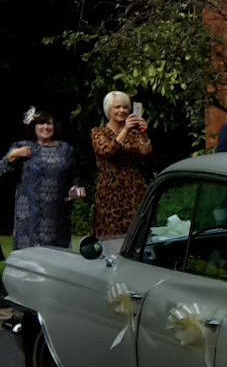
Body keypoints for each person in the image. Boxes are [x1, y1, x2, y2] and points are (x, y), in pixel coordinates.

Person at [4, 109, 81, 250]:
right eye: (41, 123)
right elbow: (3, 170)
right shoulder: (22, 146)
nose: (45, 127)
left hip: (57, 213)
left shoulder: (66, 149)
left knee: (56, 257)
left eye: (49, 123)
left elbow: (74, 175)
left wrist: (75, 188)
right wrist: (13, 155)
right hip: (28, 215)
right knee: (28, 260)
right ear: (33, 126)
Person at [91, 91, 152, 236]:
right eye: (117, 107)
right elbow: (107, 151)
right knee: (110, 235)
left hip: (134, 190)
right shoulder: (98, 133)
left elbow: (146, 152)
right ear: (108, 110)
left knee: (136, 233)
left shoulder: (134, 133)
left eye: (125, 107)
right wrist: (125, 129)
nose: (122, 111)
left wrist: (143, 132)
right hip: (110, 192)